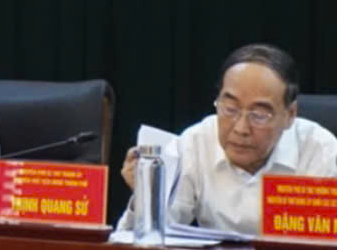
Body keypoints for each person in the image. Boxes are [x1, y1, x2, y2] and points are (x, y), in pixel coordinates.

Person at [120, 43, 337, 235]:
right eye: (230, 109)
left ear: (290, 115)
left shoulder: (320, 151)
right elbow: (150, 236)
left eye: (259, 115)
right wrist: (147, 197)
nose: (241, 128)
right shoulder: (195, 142)